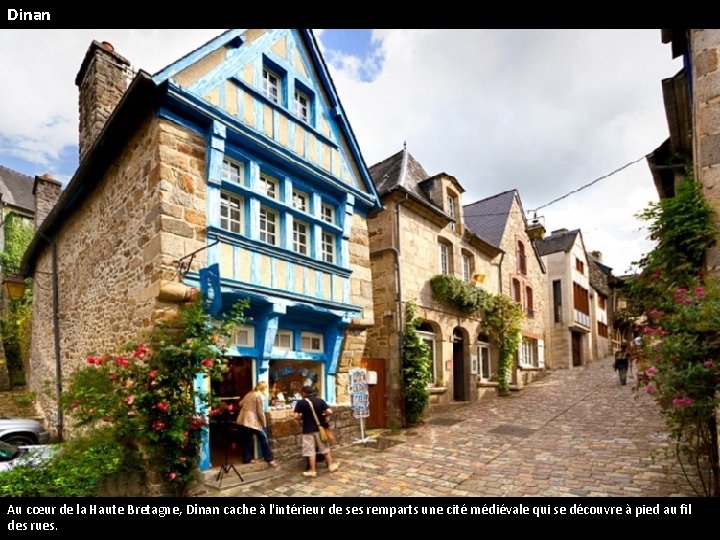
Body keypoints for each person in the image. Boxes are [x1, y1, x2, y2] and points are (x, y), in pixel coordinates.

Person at [293, 385, 339, 478]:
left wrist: (302, 417)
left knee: (310, 450)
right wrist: (323, 414)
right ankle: (331, 465)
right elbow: (329, 411)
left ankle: (312, 470)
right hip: (319, 429)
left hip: (307, 429)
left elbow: (295, 416)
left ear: (303, 393)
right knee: (325, 448)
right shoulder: (320, 400)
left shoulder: (300, 403)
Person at [236, 381, 278, 467]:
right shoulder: (259, 396)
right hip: (253, 421)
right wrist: (264, 423)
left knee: (247, 439)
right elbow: (260, 412)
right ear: (264, 388)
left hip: (245, 420)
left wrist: (248, 407)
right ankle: (269, 459)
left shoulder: (249, 394)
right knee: (263, 439)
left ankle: (246, 459)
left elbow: (240, 403)